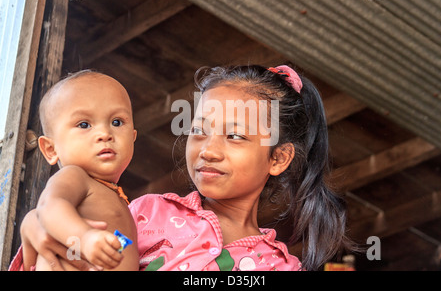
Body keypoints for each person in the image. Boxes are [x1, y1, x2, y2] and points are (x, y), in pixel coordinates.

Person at [12, 64, 351, 271]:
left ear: (277, 158)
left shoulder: (280, 266)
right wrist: (43, 224)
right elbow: (93, 253)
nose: (209, 151)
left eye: (234, 135)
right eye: (199, 131)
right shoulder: (146, 215)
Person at [20, 70, 139, 270]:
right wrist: (84, 237)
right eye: (84, 124)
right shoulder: (75, 176)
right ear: (50, 149)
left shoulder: (114, 194)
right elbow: (49, 207)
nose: (104, 133)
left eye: (116, 122)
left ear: (133, 137)